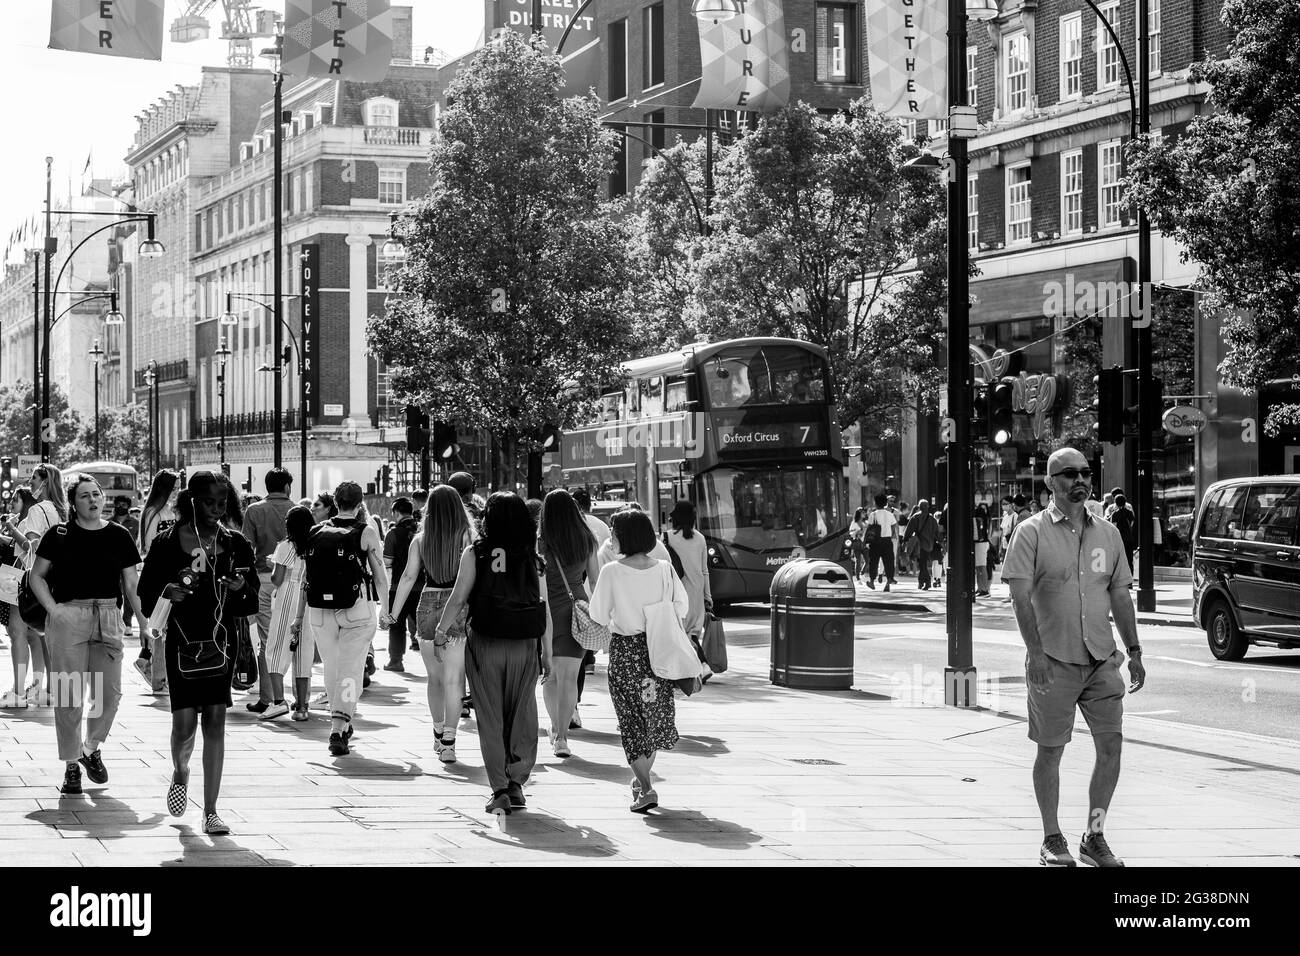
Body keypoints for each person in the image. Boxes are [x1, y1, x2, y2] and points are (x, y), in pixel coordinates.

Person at [1002, 448, 1145, 868]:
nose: (1080, 480)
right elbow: (1020, 599)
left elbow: (1119, 595)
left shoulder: (1108, 534)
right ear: (1051, 483)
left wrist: (1134, 651)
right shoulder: (1030, 532)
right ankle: (1051, 837)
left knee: (1111, 747)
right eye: (1069, 474)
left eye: (1085, 472)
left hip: (1102, 658)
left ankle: (1094, 835)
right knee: (1051, 750)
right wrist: (1035, 655)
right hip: (1054, 659)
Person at [138, 472, 259, 834]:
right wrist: (167, 592)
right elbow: (145, 597)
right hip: (182, 642)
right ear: (192, 500)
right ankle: (180, 769)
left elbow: (249, 600)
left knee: (216, 722)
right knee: (184, 726)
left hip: (220, 643)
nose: (216, 509)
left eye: (222, 503)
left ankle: (210, 810)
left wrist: (239, 587)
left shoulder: (235, 544)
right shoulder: (166, 543)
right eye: (209, 502)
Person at [29, 474, 146, 796]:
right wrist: (54, 610)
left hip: (107, 616)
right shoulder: (59, 534)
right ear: (74, 502)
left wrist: (144, 623)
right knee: (70, 697)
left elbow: (131, 585)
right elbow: (36, 576)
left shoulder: (119, 535)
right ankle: (70, 767)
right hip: (69, 617)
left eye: (96, 494)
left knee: (110, 695)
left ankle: (90, 748)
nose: (94, 500)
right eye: (85, 496)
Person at [433, 492, 549, 814]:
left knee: (490, 715)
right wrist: (548, 652)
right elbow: (544, 606)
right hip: (525, 643)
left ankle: (498, 787)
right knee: (521, 713)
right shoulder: (531, 555)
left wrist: (441, 632)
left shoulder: (476, 552)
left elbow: (458, 598)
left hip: (486, 640)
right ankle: (516, 784)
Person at [588, 508, 688, 813]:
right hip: (658, 649)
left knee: (629, 718)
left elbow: (597, 615)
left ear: (623, 537)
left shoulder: (612, 572)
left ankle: (646, 787)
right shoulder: (664, 569)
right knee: (653, 716)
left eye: (615, 533)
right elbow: (681, 607)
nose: (611, 538)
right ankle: (641, 781)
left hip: (626, 652)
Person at [292, 481, 389, 757]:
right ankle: (339, 726)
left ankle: (341, 721)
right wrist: (387, 610)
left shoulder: (314, 531)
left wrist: (298, 617)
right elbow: (380, 575)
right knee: (350, 670)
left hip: (319, 611)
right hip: (356, 609)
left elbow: (304, 578)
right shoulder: (366, 531)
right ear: (360, 503)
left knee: (333, 669)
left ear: (335, 501)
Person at [386, 485, 475, 763]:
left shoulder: (420, 540)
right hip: (458, 606)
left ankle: (437, 731)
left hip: (428, 604)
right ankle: (449, 739)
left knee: (434, 679)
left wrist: (393, 613)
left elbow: (409, 577)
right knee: (454, 680)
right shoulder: (467, 536)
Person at [537, 489, 601, 757]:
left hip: (547, 611)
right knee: (570, 678)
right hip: (578, 610)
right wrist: (598, 613)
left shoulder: (540, 542)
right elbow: (596, 579)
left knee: (550, 677)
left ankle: (554, 728)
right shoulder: (587, 539)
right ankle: (563, 737)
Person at [12, 465, 69, 707]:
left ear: (45, 481)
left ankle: (27, 691)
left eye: (34, 478)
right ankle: (52, 689)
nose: (31, 482)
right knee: (51, 636)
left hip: (40, 580)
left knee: (30, 631)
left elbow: (32, 547)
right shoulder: (63, 510)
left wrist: (12, 531)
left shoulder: (37, 510)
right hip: (63, 581)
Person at [241, 467, 295, 714]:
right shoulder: (298, 511)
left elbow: (246, 549)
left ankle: (269, 697)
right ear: (286, 487)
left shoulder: (254, 511)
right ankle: (300, 697)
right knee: (296, 638)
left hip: (265, 578)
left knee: (267, 639)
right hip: (295, 580)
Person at [261, 506, 316, 721]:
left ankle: (278, 702)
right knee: (303, 652)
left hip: (288, 596)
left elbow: (277, 579)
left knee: (275, 648)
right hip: (309, 600)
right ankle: (302, 707)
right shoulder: (315, 544)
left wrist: (272, 563)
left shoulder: (285, 546)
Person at [0, 487, 44, 708]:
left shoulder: (28, 522)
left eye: (15, 501)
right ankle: (36, 687)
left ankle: (18, 691)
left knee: (16, 633)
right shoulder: (31, 520)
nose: (11, 505)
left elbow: (28, 547)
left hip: (16, 579)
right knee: (33, 636)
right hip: (28, 578)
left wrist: (9, 528)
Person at [137, 470, 181, 691]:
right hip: (158, 574)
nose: (178, 491)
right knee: (159, 624)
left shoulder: (170, 511)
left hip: (170, 572)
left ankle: (149, 663)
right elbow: (148, 545)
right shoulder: (154, 513)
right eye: (175, 487)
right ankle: (156, 673)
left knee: (163, 623)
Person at [664, 499, 713, 678]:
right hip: (696, 592)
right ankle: (695, 670)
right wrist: (708, 595)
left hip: (678, 592)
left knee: (681, 633)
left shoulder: (667, 537)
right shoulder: (700, 538)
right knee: (691, 633)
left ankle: (702, 665)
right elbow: (704, 570)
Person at [382, 497, 422, 670]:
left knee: (396, 623)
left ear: (396, 513)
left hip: (399, 586)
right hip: (422, 585)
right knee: (422, 623)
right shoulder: (421, 530)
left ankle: (396, 660)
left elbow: (387, 562)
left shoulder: (393, 533)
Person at [111, 497, 141, 635]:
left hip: (129, 562)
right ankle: (115, 622)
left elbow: (139, 543)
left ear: (128, 506)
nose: (121, 506)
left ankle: (127, 623)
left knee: (130, 593)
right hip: (111, 562)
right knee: (114, 592)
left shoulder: (136, 523)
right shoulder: (108, 522)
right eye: (118, 504)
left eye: (124, 504)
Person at [863, 493, 899, 591]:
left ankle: (871, 581)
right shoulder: (890, 514)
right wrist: (890, 535)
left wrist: (865, 541)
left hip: (875, 542)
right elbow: (893, 526)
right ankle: (888, 583)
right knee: (889, 562)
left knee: (874, 561)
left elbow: (869, 528)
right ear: (885, 503)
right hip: (887, 541)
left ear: (876, 503)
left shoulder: (873, 514)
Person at [902, 499, 939, 590]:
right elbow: (937, 533)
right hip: (929, 544)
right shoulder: (932, 519)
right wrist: (941, 543)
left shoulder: (916, 517)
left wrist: (905, 541)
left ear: (919, 507)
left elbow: (908, 530)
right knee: (923, 564)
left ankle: (926, 582)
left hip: (919, 544)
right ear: (927, 507)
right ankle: (921, 582)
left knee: (922, 564)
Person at [1110, 493, 1137, 572]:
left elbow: (1113, 527)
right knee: (1129, 559)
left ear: (1115, 503)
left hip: (1119, 539)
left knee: (1118, 560)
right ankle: (1130, 576)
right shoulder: (1129, 512)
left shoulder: (1115, 514)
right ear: (1125, 502)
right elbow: (1131, 524)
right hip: (1129, 539)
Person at [974, 503, 991, 596]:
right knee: (979, 567)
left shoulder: (980, 519)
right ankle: (981, 588)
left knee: (981, 566)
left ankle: (984, 589)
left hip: (981, 543)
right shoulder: (986, 519)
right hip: (982, 543)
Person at [848, 508, 867, 581]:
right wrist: (857, 532)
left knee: (867, 560)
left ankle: (862, 573)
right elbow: (851, 533)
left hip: (864, 543)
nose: (864, 514)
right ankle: (858, 578)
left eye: (864, 513)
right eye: (863, 513)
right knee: (858, 561)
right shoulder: (854, 523)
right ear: (859, 514)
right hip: (857, 543)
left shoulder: (865, 523)